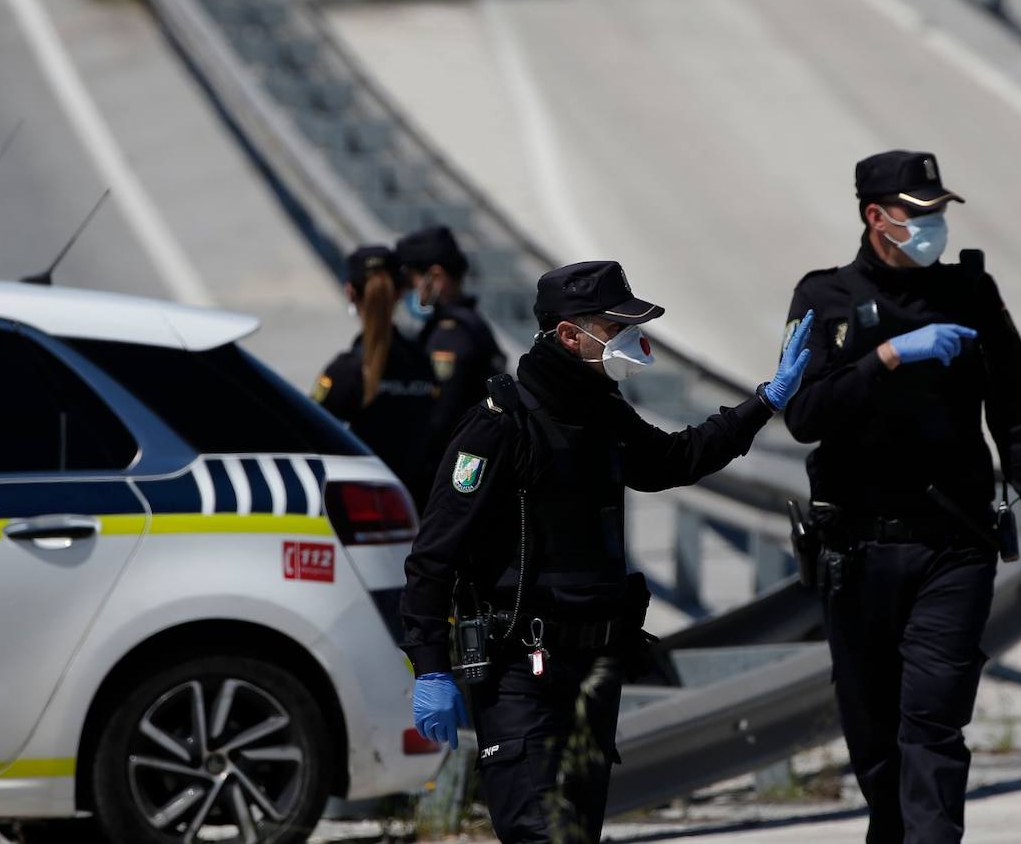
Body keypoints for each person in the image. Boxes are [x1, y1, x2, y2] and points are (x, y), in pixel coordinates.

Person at [401, 260, 813, 843]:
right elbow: (433, 555)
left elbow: (674, 460)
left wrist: (763, 402)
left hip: (593, 672)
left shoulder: (601, 410)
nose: (631, 339)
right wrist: (430, 667)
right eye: (614, 325)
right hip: (521, 671)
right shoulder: (499, 425)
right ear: (571, 335)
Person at [782, 151, 1021, 843]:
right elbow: (803, 417)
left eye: (939, 210)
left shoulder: (972, 294)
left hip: (953, 546)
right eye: (918, 213)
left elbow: (1018, 417)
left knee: (933, 724)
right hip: (854, 550)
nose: (933, 224)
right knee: (875, 738)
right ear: (875, 216)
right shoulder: (823, 299)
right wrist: (887, 358)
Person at [312, 245, 437, 508]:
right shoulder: (424, 364)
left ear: (350, 292)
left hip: (362, 509)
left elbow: (309, 434)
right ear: (401, 292)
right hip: (420, 508)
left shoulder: (344, 372)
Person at [395, 226, 505, 452]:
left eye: (411, 281)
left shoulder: (450, 336)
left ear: (435, 276)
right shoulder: (470, 323)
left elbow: (440, 417)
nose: (408, 290)